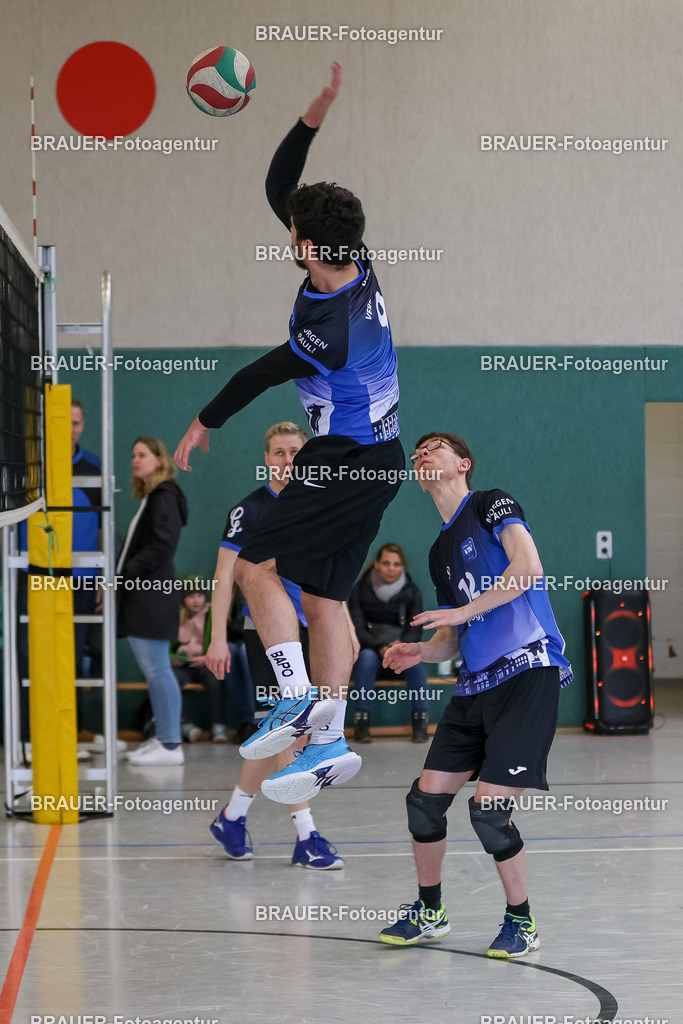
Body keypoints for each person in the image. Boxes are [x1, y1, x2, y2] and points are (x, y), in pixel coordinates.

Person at [174, 63, 404, 804]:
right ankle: (329, 738)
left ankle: (297, 700)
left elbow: (259, 374)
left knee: (255, 568)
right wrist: (315, 113)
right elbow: (281, 186)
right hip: (382, 457)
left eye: (294, 230)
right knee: (326, 600)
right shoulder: (353, 260)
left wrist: (203, 421)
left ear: (304, 245)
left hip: (342, 458)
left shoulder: (328, 331)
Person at [378, 432, 572, 958]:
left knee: (489, 812)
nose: (423, 454)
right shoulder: (438, 551)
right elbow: (452, 635)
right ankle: (430, 911)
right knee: (423, 805)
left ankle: (521, 922)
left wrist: (463, 611)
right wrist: (422, 651)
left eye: (435, 447)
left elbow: (527, 569)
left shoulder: (491, 504)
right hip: (475, 685)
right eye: (418, 452)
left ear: (463, 463)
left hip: (528, 671)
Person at [206, 422, 344, 869]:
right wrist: (217, 638)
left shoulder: (319, 502)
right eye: (279, 453)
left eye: (295, 452)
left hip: (312, 628)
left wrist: (343, 625)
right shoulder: (250, 510)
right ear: (266, 459)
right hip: (265, 635)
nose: (288, 460)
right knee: (290, 728)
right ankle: (307, 836)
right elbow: (224, 576)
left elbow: (333, 572)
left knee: (280, 732)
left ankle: (232, 817)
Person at [118, 437, 188, 767]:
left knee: (159, 670)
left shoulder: (164, 496)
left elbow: (163, 544)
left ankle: (171, 744)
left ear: (160, 460)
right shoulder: (153, 497)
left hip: (150, 596)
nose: (135, 460)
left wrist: (125, 574)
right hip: (143, 595)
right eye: (133, 455)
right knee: (154, 671)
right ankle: (163, 738)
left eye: (143, 455)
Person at [348, 543, 430, 743]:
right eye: (386, 563)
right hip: (372, 651)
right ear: (377, 564)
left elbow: (415, 628)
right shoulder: (360, 589)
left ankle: (420, 722)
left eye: (396, 564)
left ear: (402, 566)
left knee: (416, 661)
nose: (391, 568)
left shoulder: (412, 591)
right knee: (366, 658)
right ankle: (361, 723)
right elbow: (357, 629)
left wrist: (402, 646)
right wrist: (381, 647)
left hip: (400, 652)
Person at [171, 578, 256, 744]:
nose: (196, 600)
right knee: (170, 678)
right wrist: (177, 658)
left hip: (207, 661)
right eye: (191, 596)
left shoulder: (210, 614)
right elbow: (170, 647)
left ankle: (223, 725)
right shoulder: (177, 616)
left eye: (199, 595)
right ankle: (181, 726)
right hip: (184, 664)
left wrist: (207, 656)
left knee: (217, 676)